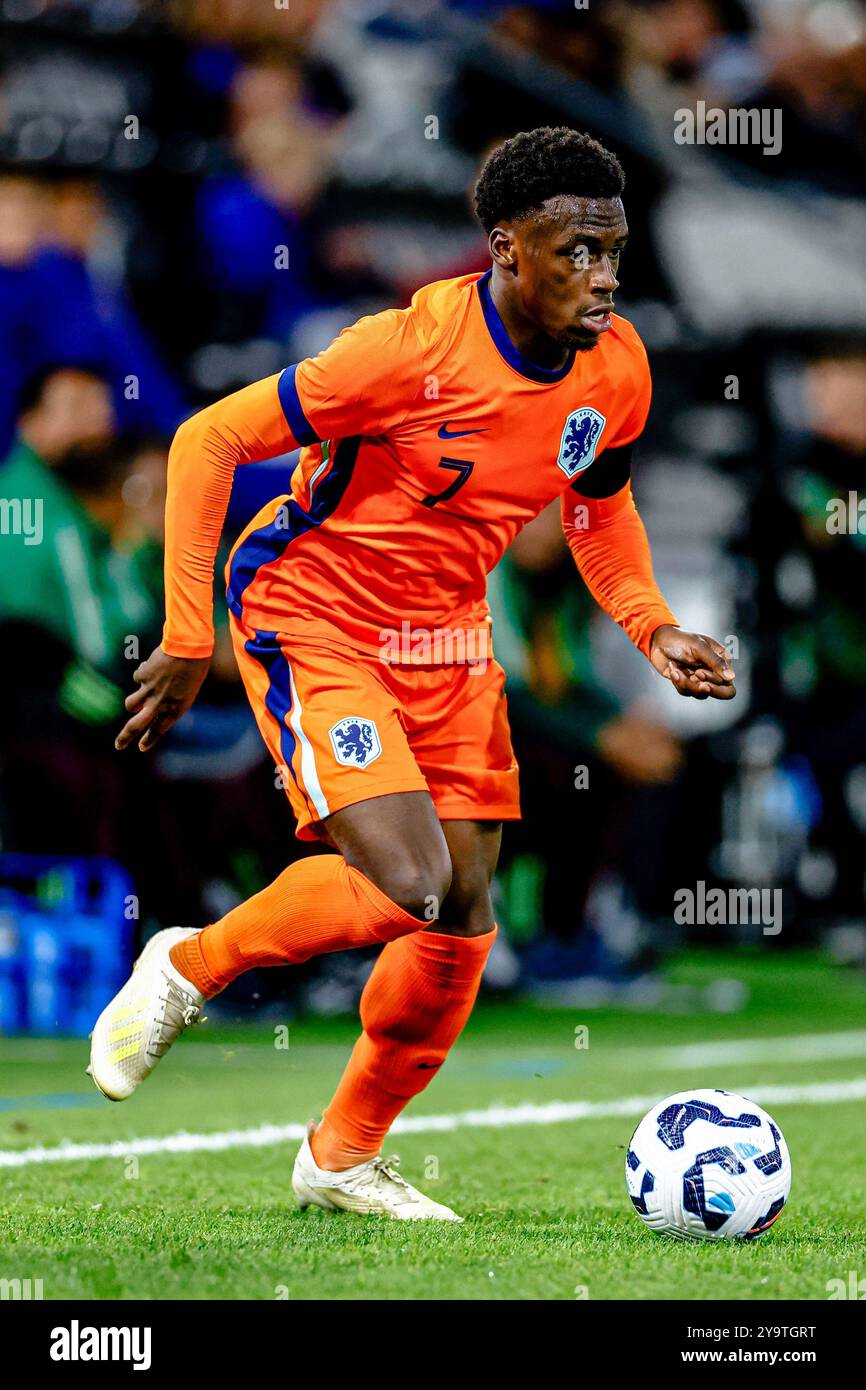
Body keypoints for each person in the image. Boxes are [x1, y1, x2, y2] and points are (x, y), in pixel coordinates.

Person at [89, 127, 735, 1221]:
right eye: (574, 249)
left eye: (612, 249)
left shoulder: (615, 363)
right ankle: (189, 963)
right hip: (315, 614)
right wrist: (188, 633)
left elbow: (596, 503)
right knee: (406, 882)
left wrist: (649, 623)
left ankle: (339, 1156)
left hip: (446, 638)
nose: (603, 274)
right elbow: (206, 440)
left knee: (461, 919)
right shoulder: (405, 349)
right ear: (503, 246)